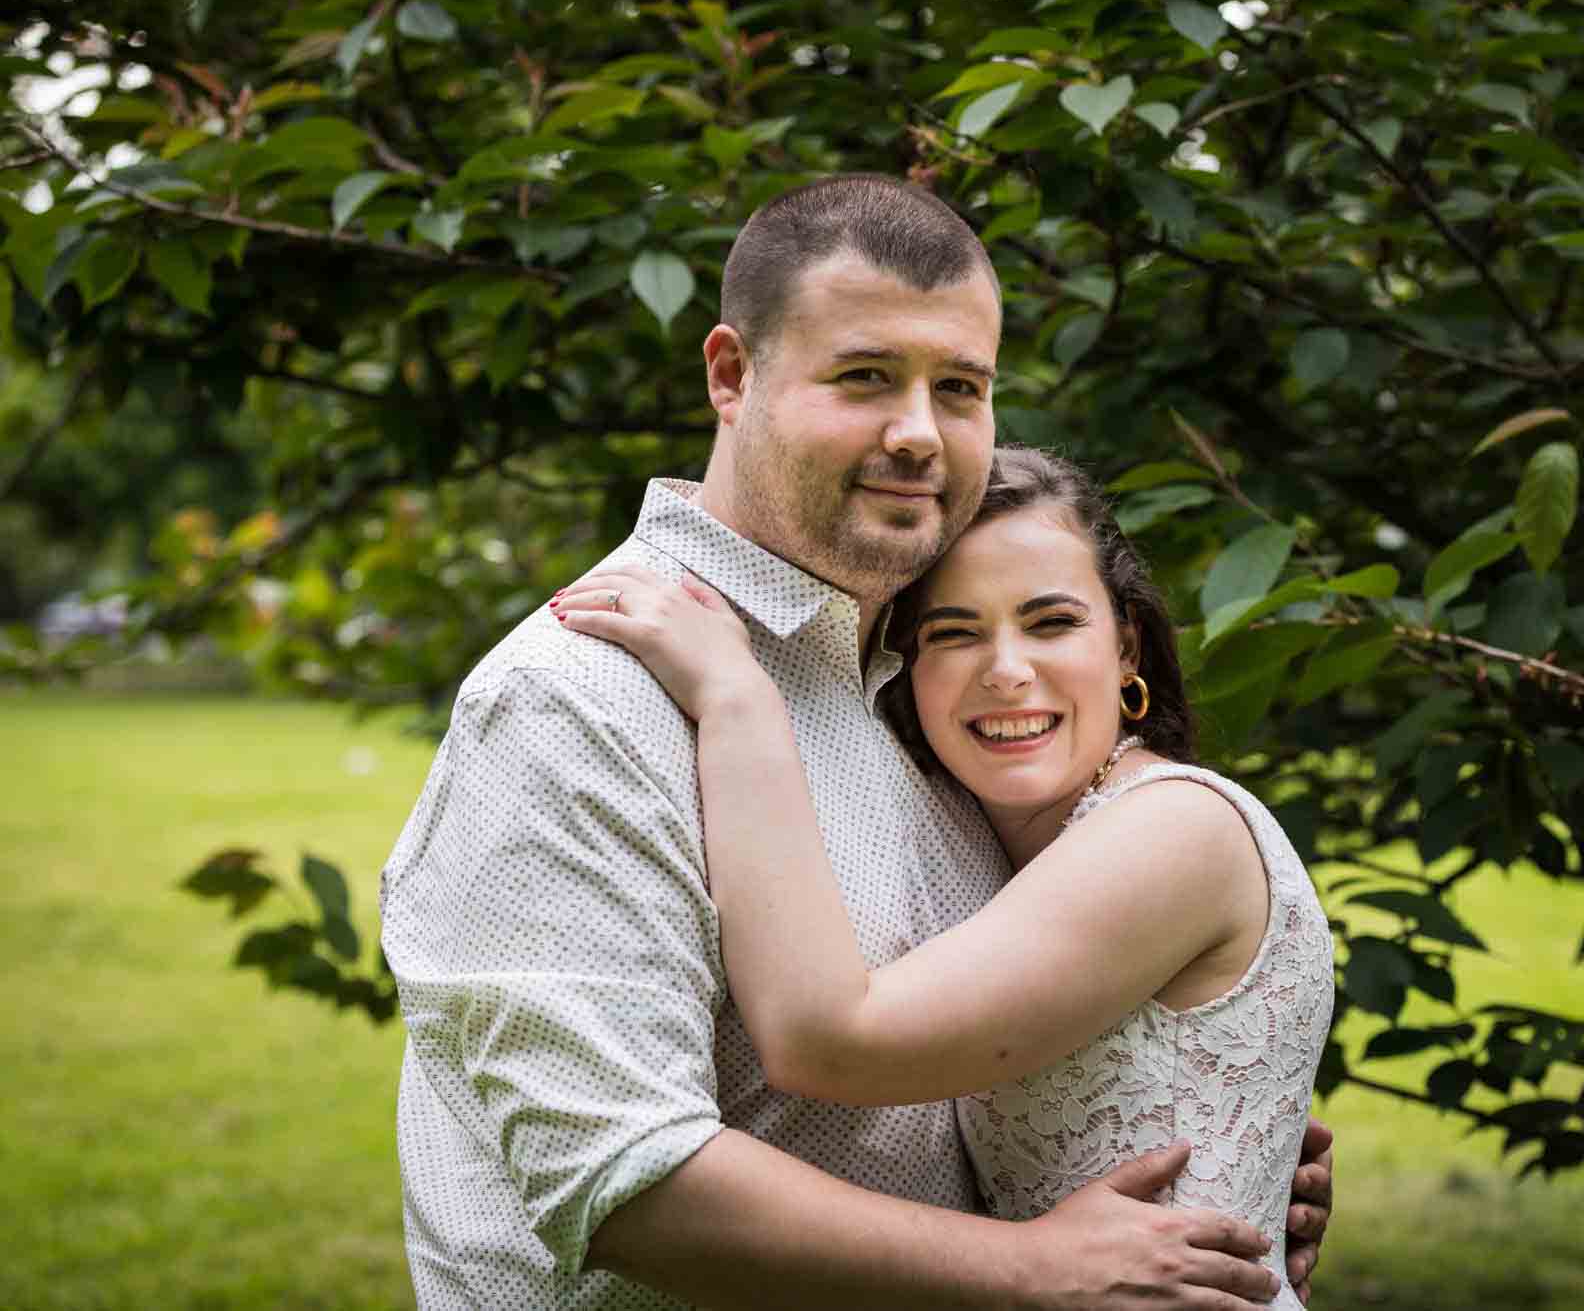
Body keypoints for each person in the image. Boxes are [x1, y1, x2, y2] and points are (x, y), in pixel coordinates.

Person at [380, 174, 1330, 1310]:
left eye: (960, 387)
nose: (918, 434)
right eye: (866, 377)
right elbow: (626, 1182)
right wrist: (1032, 1265)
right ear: (731, 375)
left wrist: (1206, 1139)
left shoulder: (916, 694)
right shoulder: (578, 695)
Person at [554, 445, 1338, 1309]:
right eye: (955, 631)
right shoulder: (989, 848)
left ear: (1128, 647)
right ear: (909, 667)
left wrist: (739, 699)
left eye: (1051, 622)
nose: (1005, 669)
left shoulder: (1174, 829)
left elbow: (825, 1039)